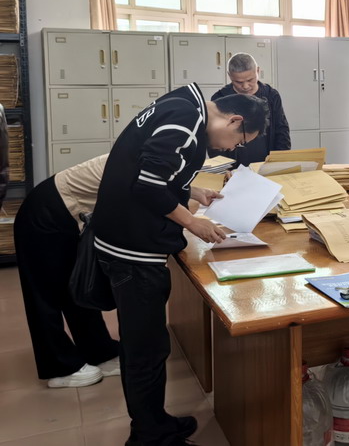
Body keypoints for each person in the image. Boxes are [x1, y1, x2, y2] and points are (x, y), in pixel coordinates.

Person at [92, 83, 267, 446]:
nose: (232, 149)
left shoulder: (183, 104)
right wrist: (192, 222)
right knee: (145, 350)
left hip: (123, 238)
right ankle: (148, 437)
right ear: (234, 120)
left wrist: (192, 191)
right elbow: (147, 186)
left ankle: (154, 422)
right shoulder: (187, 120)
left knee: (149, 345)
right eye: (239, 141)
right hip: (132, 250)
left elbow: (151, 169)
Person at [14, 154, 120, 388]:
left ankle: (99, 352)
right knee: (43, 295)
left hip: (68, 219)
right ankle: (59, 367)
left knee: (76, 287)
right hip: (41, 214)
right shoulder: (139, 160)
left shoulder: (151, 156)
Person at [209, 52, 291, 165]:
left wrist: (280, 161)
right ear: (229, 75)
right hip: (232, 166)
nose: (245, 86)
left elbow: (281, 130)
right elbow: (213, 138)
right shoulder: (220, 98)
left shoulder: (271, 96)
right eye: (239, 82)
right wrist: (221, 167)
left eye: (250, 80)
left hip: (267, 163)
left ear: (257, 71)